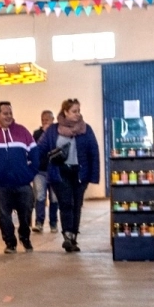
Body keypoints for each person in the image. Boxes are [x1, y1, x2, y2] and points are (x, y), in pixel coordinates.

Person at [0, 102, 39, 254]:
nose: (9, 116)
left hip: (22, 182)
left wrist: (30, 173)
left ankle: (25, 237)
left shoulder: (22, 131)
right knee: (2, 215)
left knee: (26, 212)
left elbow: (34, 153)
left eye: (10, 113)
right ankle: (10, 243)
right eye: (5, 113)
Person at [39, 99, 101, 253]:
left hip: (80, 173)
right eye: (74, 111)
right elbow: (41, 148)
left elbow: (93, 152)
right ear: (65, 112)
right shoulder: (53, 130)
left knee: (77, 205)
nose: (77, 114)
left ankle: (73, 237)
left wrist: (93, 175)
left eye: (79, 110)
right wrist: (38, 163)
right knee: (66, 203)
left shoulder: (86, 130)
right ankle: (67, 236)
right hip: (60, 172)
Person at [32, 109, 59, 233]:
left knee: (54, 198)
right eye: (43, 120)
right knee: (40, 196)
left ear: (53, 120)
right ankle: (39, 222)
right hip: (40, 171)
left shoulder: (58, 133)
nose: (44, 122)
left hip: (54, 170)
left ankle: (53, 223)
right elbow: (35, 149)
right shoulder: (37, 134)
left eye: (47, 120)